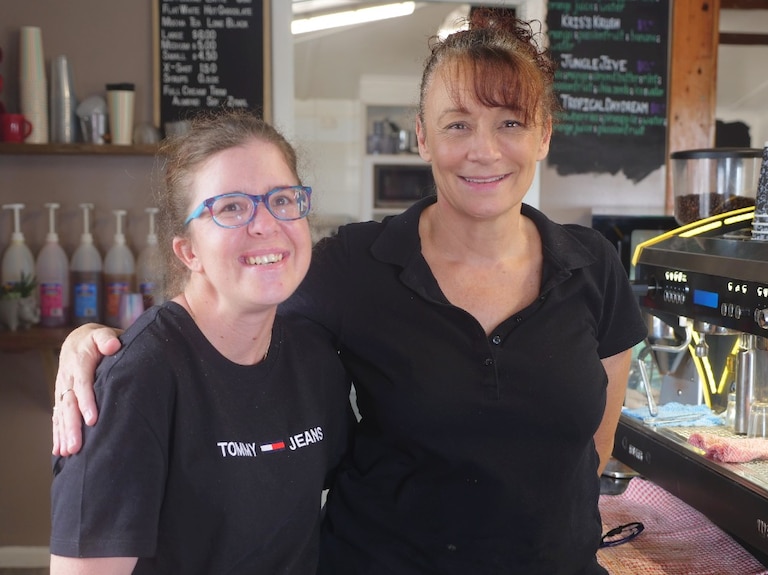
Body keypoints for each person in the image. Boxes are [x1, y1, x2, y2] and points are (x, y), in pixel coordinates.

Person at [52, 9, 646, 575]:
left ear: (543, 134)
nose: (483, 150)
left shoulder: (593, 266)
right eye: (457, 123)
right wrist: (101, 348)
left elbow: (594, 442)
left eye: (510, 122)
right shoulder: (354, 265)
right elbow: (231, 296)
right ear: (421, 137)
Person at [50, 111, 352, 574]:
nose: (265, 223)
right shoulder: (135, 380)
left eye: (283, 199)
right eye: (231, 207)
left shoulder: (314, 363)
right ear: (189, 251)